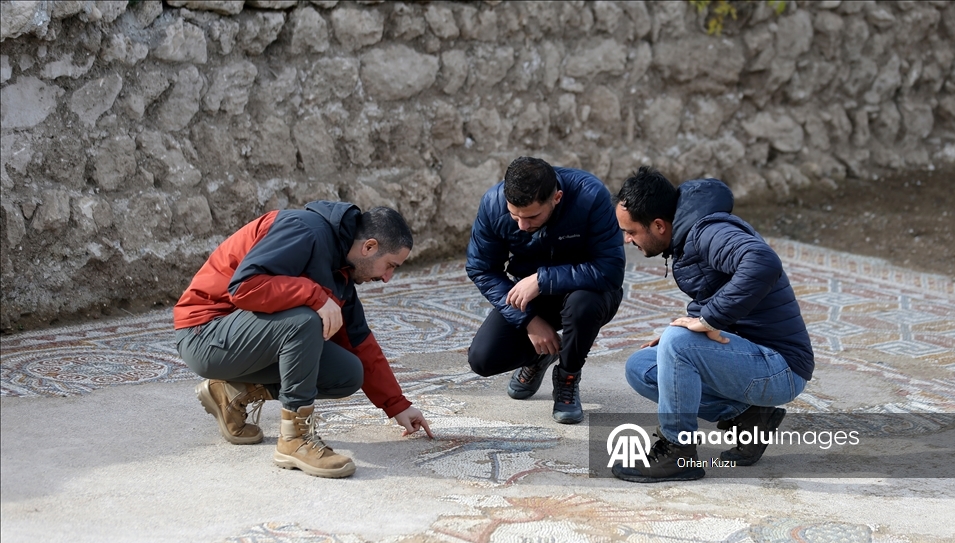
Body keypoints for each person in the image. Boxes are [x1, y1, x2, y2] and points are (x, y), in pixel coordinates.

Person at [174, 201, 433, 479]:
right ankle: (294, 440)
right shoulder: (303, 230)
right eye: (390, 265)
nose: (386, 278)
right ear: (369, 247)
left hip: (238, 341)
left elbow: (359, 342)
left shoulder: (342, 269)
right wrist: (315, 296)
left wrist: (398, 405)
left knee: (348, 373)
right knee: (304, 319)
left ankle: (231, 392)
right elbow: (245, 287)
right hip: (205, 335)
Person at [612, 167, 814, 482]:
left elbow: (763, 263)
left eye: (631, 231)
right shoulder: (686, 236)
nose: (626, 239)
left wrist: (706, 321)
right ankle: (750, 418)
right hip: (749, 354)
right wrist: (683, 336)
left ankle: (678, 453)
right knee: (641, 367)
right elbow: (718, 290)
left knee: (676, 344)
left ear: (659, 225)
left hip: (781, 366)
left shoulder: (708, 231)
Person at [466, 157, 626, 424]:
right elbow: (481, 269)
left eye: (531, 217)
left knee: (583, 305)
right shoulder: (493, 204)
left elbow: (610, 270)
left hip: (590, 292)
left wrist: (542, 279)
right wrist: (528, 320)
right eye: (514, 215)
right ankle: (541, 355)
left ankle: (567, 376)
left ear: (557, 198)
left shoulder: (590, 195)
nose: (522, 226)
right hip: (532, 299)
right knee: (483, 359)